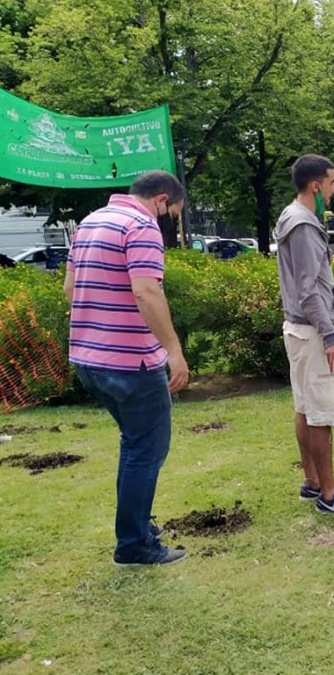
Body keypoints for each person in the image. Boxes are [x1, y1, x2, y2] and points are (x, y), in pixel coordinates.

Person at [63, 170, 189, 566]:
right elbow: (145, 289)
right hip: (130, 362)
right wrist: (174, 351)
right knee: (147, 449)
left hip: (88, 358)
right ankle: (134, 544)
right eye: (171, 215)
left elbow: (70, 289)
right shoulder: (141, 225)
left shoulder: (90, 221)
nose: (166, 223)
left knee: (134, 445)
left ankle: (136, 529)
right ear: (161, 200)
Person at [274, 154, 334, 516]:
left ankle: (313, 480)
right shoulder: (302, 224)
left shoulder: (292, 216)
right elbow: (308, 290)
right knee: (322, 414)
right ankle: (329, 495)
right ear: (316, 186)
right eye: (331, 183)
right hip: (313, 333)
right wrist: (331, 336)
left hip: (300, 330)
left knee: (305, 407)